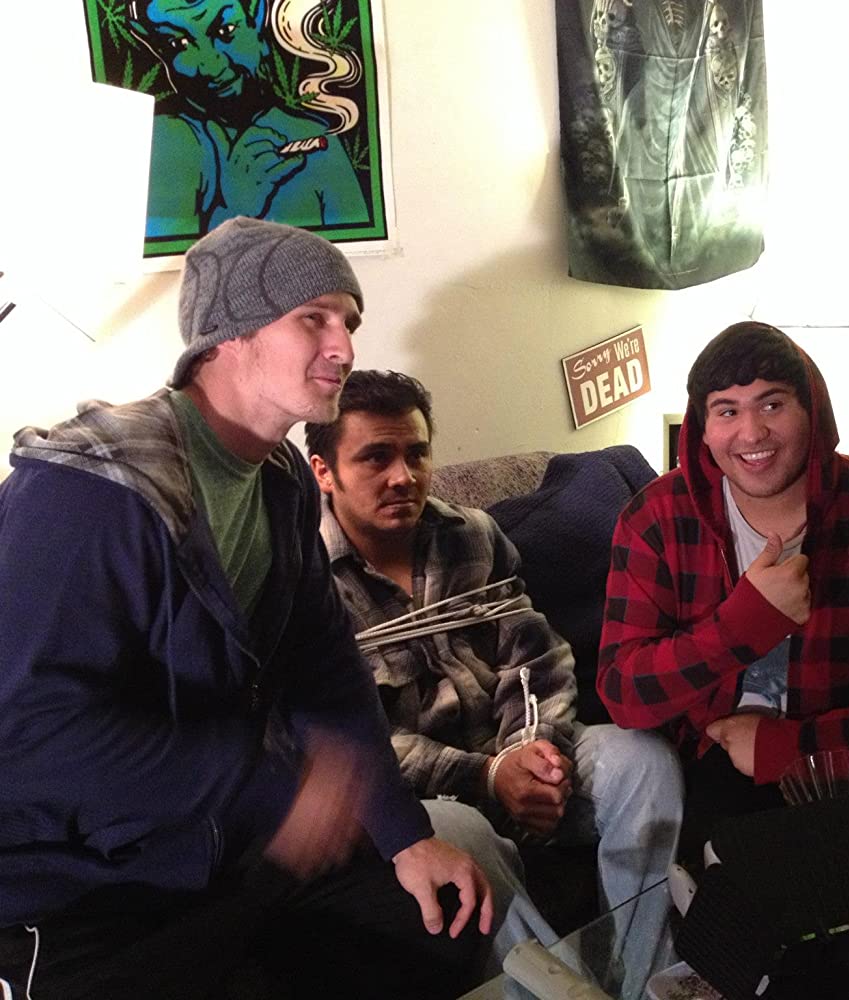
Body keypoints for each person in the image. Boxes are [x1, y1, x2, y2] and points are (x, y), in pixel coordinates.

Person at [0, 218, 492, 1000]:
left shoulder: (282, 482)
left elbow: (324, 670)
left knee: (436, 928)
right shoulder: (89, 493)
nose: (344, 347)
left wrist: (404, 835)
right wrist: (269, 785)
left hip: (228, 852)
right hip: (84, 888)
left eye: (349, 322)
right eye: (313, 319)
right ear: (227, 335)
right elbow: (29, 737)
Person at [305, 369, 684, 983]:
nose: (403, 476)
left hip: (513, 746)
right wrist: (487, 776)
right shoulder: (301, 581)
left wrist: (531, 750)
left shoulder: (471, 535)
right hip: (425, 797)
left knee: (640, 760)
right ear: (324, 471)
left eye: (416, 453)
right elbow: (348, 739)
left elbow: (535, 654)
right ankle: (558, 992)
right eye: (376, 457)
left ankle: (646, 980)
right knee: (461, 830)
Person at [598, 320, 849, 859]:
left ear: (811, 411)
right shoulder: (655, 518)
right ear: (702, 428)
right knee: (731, 878)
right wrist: (741, 627)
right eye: (727, 411)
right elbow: (624, 694)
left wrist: (789, 749)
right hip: (729, 763)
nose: (751, 434)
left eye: (772, 405)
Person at [126, 0, 369, 239]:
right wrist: (236, 205)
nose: (211, 66)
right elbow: (168, 262)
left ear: (256, 16)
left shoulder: (314, 141)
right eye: (179, 44)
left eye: (226, 31)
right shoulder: (167, 141)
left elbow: (355, 253)